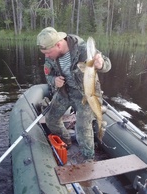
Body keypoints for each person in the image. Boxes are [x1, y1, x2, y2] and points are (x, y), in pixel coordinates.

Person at [37, 27, 111, 162]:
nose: (46, 56)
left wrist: (100, 64)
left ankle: (88, 157)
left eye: (48, 53)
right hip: (65, 92)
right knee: (51, 119)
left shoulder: (82, 49)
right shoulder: (51, 56)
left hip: (87, 94)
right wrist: (54, 80)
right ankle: (66, 141)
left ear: (58, 44)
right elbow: (48, 74)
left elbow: (107, 64)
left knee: (83, 127)